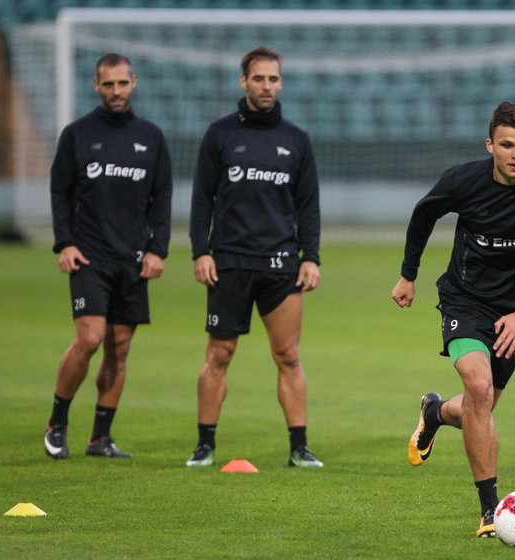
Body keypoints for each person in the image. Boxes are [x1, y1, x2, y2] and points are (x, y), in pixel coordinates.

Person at [391, 102, 515, 537]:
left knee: (479, 407)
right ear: (490, 145)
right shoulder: (463, 180)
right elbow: (424, 214)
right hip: (464, 300)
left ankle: (436, 412)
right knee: (479, 388)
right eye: (507, 145)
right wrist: (409, 275)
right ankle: (490, 510)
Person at [186, 47, 323, 468]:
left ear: (281, 83)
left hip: (281, 265)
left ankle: (299, 448)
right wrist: (200, 252)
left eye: (274, 79)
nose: (267, 86)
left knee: (289, 356)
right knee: (219, 356)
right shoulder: (220, 135)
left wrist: (310, 256)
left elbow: (308, 206)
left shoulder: (296, 140)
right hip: (228, 263)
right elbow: (200, 201)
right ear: (243, 82)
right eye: (259, 79)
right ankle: (205, 445)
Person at [45, 53, 172, 460]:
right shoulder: (78, 134)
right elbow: (60, 193)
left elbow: (162, 199)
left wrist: (157, 248)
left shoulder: (151, 137)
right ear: (96, 86)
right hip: (90, 256)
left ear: (133, 82)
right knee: (90, 339)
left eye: (122, 83)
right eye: (108, 84)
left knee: (119, 347)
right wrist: (65, 242)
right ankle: (57, 424)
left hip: (132, 259)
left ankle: (100, 437)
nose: (116, 91)